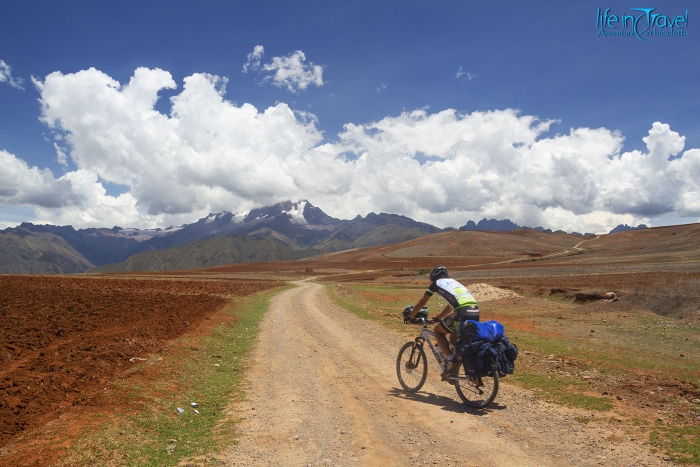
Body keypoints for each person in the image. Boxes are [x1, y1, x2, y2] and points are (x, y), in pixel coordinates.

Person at [408, 265, 479, 379]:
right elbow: (450, 306)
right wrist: (439, 317)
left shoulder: (436, 284)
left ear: (433, 277)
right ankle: (454, 367)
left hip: (461, 313)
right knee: (453, 338)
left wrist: (411, 316)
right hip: (474, 312)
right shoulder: (455, 282)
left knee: (438, 331)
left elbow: (422, 302)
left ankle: (452, 361)